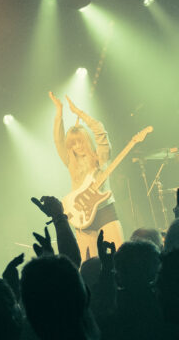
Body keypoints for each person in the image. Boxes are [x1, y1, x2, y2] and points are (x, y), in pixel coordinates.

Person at [50, 92, 125, 256]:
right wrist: (59, 112)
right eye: (73, 143)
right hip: (81, 215)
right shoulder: (70, 161)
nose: (77, 146)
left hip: (105, 210)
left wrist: (79, 113)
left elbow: (100, 132)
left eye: (80, 141)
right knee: (88, 261)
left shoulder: (100, 157)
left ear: (86, 140)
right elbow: (58, 140)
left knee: (119, 253)